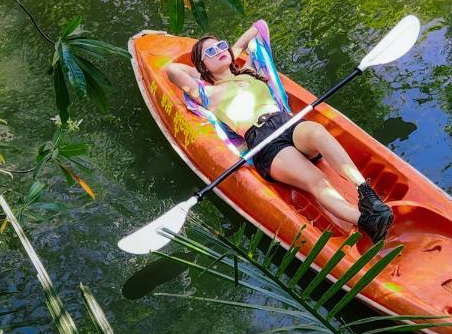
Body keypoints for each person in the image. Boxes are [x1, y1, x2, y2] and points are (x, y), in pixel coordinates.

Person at [165, 23, 395, 243]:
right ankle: (367, 221)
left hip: (286, 122)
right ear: (202, 65)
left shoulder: (249, 72)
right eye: (211, 52)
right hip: (263, 141)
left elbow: (259, 28)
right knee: (317, 181)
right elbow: (172, 70)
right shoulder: (207, 93)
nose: (220, 51)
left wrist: (230, 53)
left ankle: (367, 194)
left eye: (221, 45)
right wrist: (201, 71)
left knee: (317, 131)